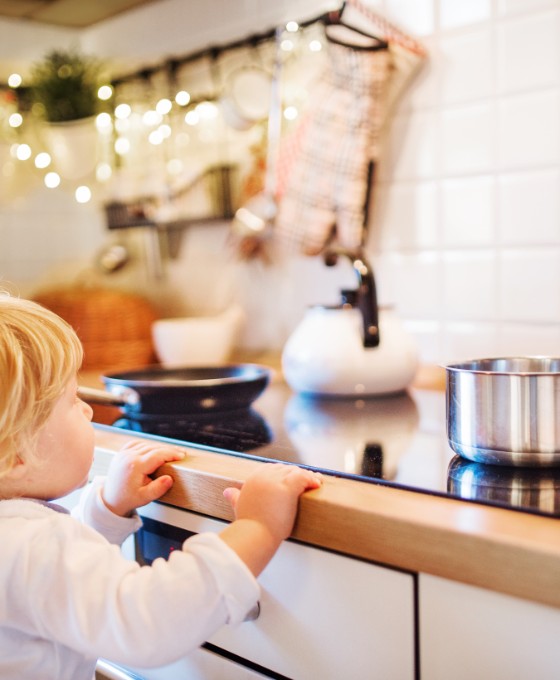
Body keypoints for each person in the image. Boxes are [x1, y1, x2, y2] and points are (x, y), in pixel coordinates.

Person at [0, 294, 322, 679]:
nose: (88, 411)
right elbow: (145, 622)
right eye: (72, 401)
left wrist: (106, 510)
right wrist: (258, 528)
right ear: (17, 453)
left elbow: (51, 588)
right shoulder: (29, 544)